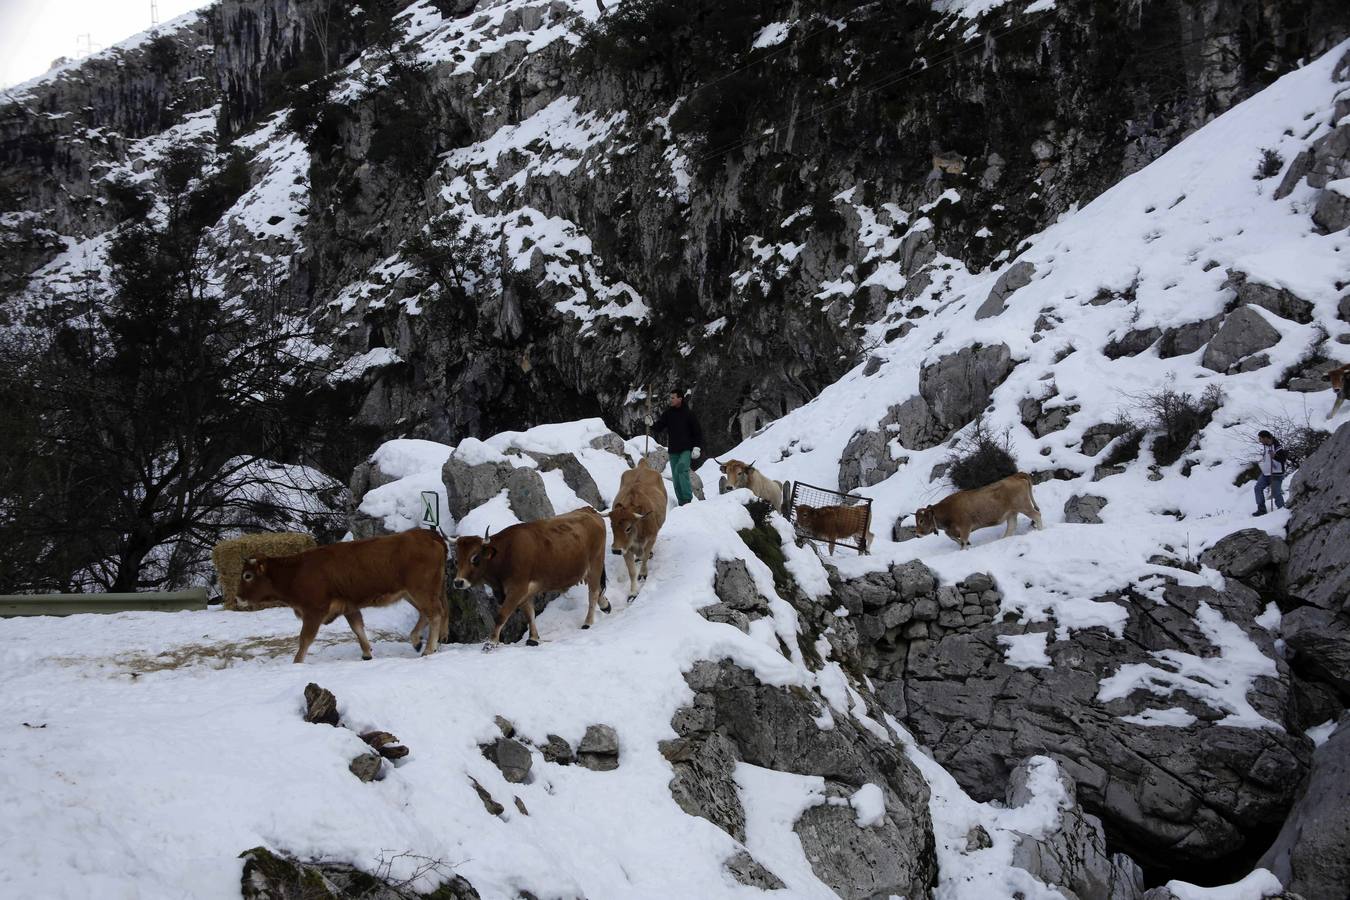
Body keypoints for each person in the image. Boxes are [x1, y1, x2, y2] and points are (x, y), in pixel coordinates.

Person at [648, 388, 704, 506]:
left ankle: (688, 499)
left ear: (680, 398)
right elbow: (659, 427)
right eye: (670, 398)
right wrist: (651, 423)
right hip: (673, 450)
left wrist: (696, 447)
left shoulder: (689, 414)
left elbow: (697, 432)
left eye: (673, 398)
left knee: (681, 468)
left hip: (686, 449)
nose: (671, 400)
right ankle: (681, 502)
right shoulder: (668, 414)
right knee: (676, 477)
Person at [1253, 430, 1287, 516]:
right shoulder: (1266, 446)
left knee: (1276, 492)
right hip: (1266, 473)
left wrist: (1275, 456)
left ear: (1265, 438)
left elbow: (1283, 459)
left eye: (1260, 438)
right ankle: (1261, 509)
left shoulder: (1277, 446)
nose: (1259, 440)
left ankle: (1282, 510)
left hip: (1276, 474)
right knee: (1258, 488)